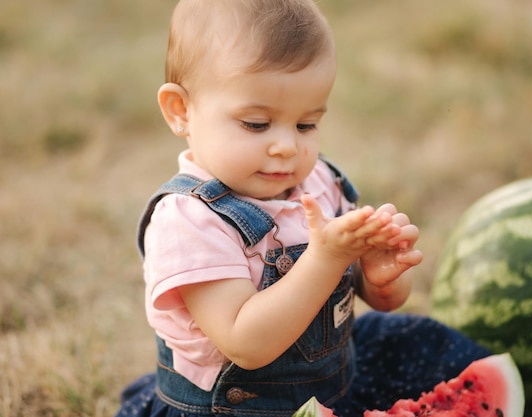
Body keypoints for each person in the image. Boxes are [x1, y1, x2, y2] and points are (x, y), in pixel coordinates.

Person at [115, 1, 491, 416]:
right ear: (180, 111)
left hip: (331, 389)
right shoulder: (189, 221)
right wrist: (325, 259)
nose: (287, 147)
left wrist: (379, 279)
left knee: (415, 341)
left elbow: (369, 298)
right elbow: (247, 344)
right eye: (256, 124)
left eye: (306, 124)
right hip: (236, 409)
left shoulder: (319, 184)